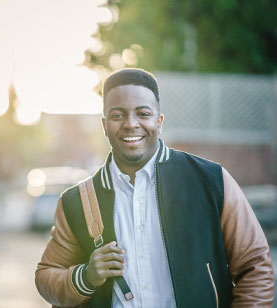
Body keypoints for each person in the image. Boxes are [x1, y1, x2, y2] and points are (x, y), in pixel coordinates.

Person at [35, 68, 274, 308]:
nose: (131, 124)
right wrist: (85, 277)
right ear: (104, 126)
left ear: (159, 122)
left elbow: (254, 266)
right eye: (118, 115)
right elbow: (46, 276)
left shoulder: (211, 180)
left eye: (143, 113)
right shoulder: (77, 201)